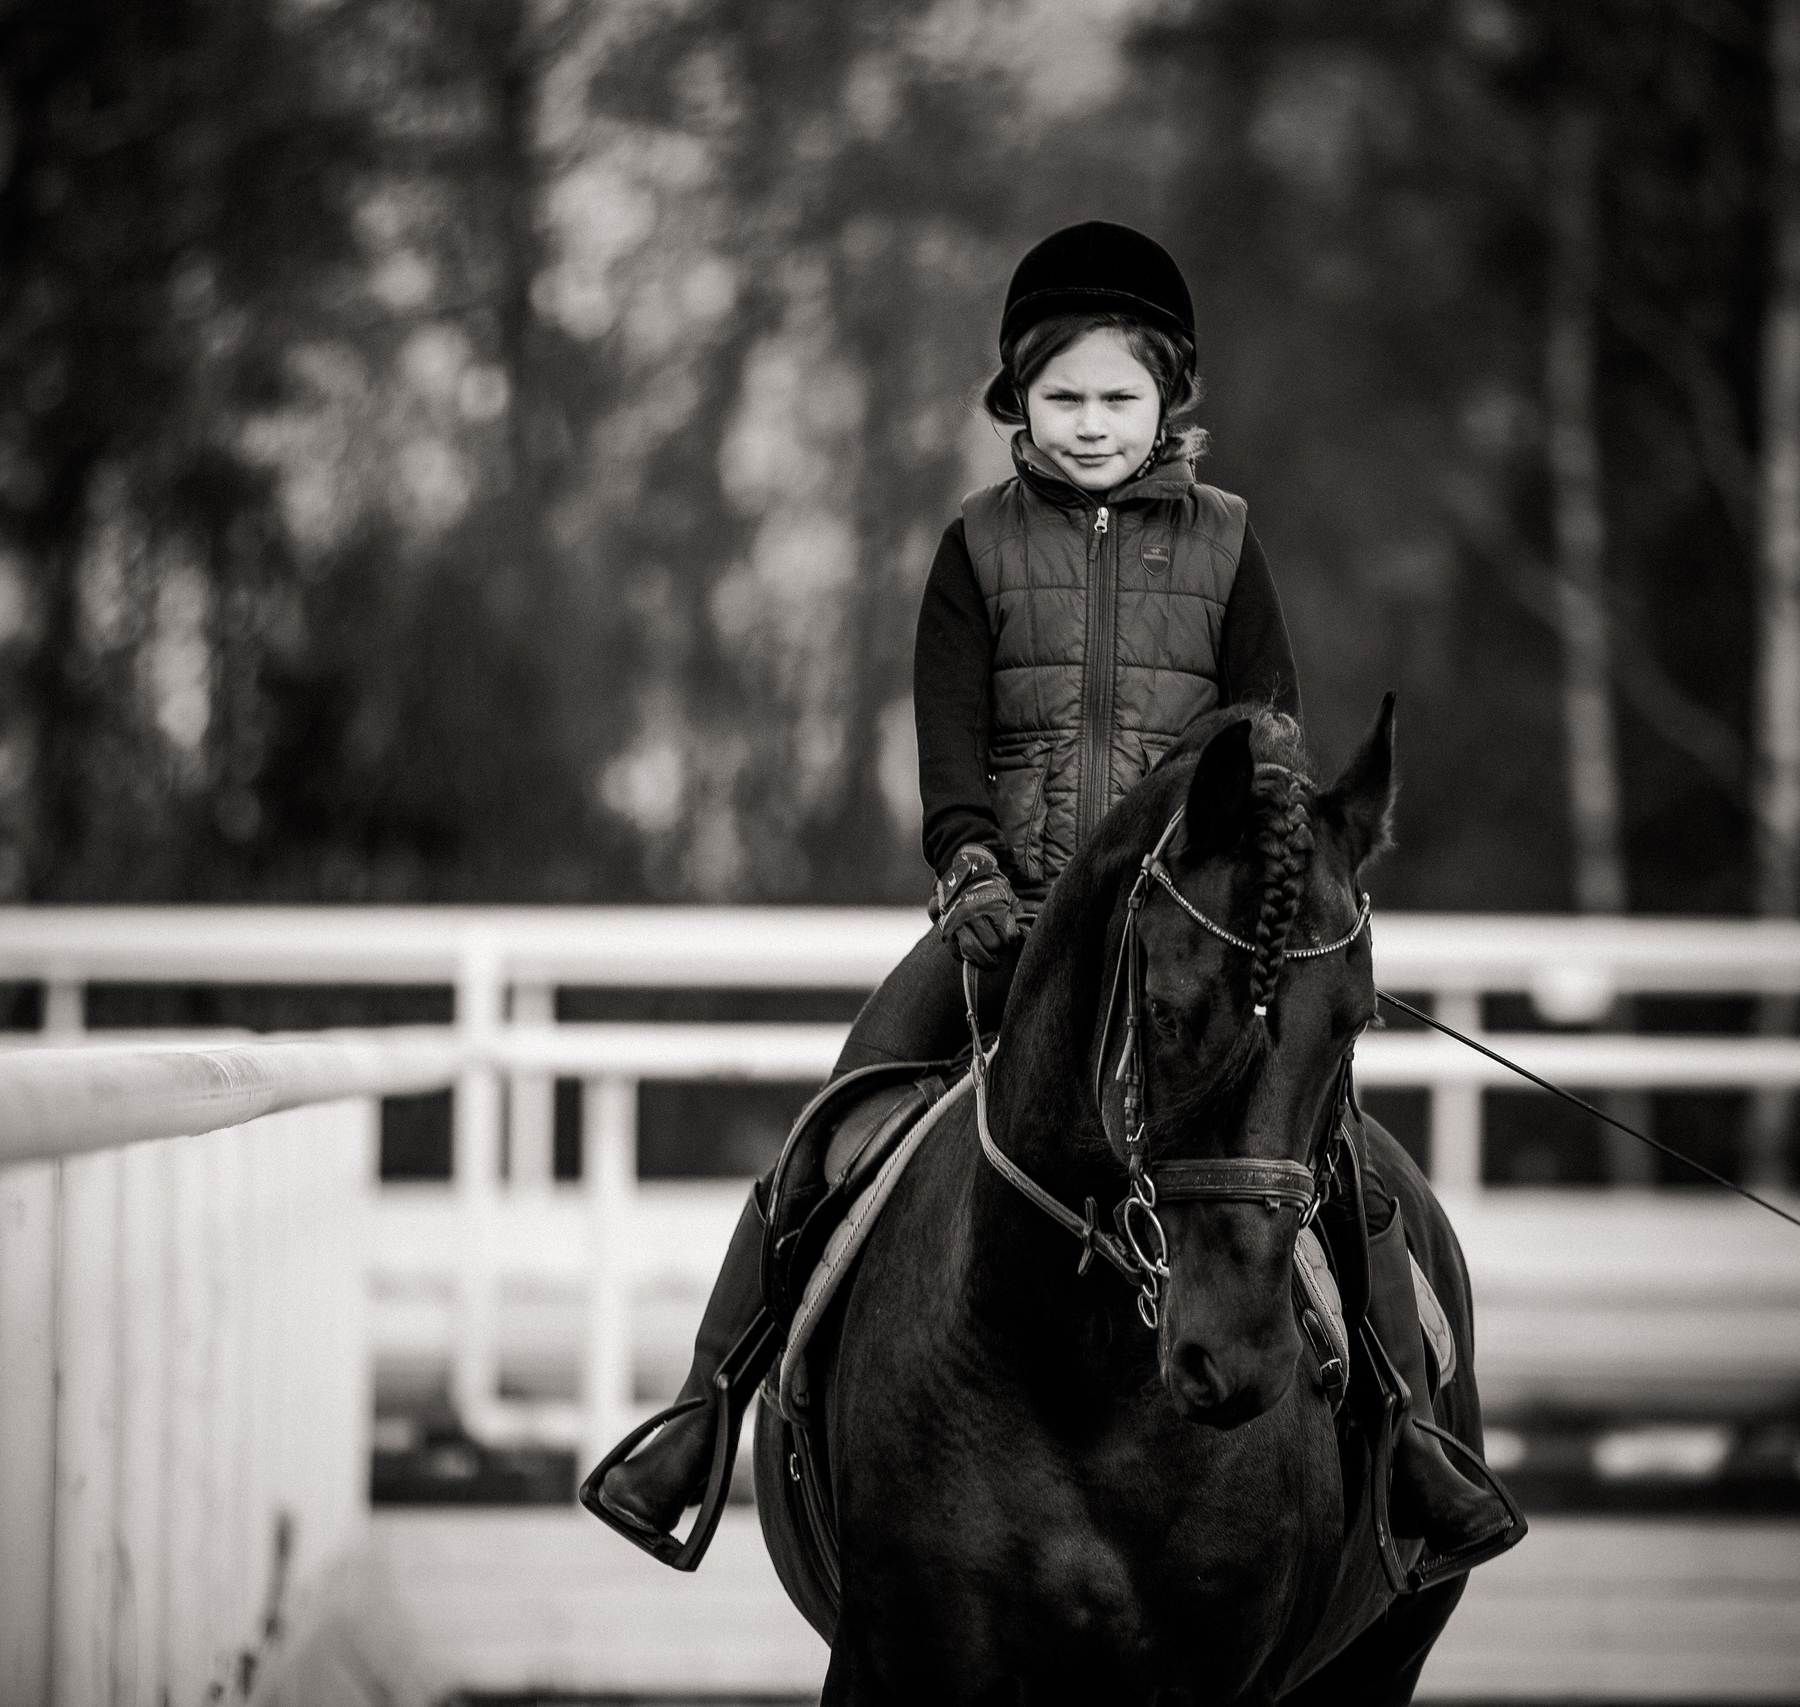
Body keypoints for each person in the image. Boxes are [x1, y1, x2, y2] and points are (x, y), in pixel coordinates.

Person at [593, 221, 1513, 1576]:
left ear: (1169, 403)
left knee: (1337, 1167)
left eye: (1119, 398)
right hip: (1010, 927)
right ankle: (703, 1413)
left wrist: (1252, 900)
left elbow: (1270, 746)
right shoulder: (972, 549)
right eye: (1064, 397)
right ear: (1016, 398)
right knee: (832, 1130)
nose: (1091, 425)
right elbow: (949, 739)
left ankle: (1406, 1438)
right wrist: (968, 868)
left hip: (1189, 942)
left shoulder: (1229, 546)